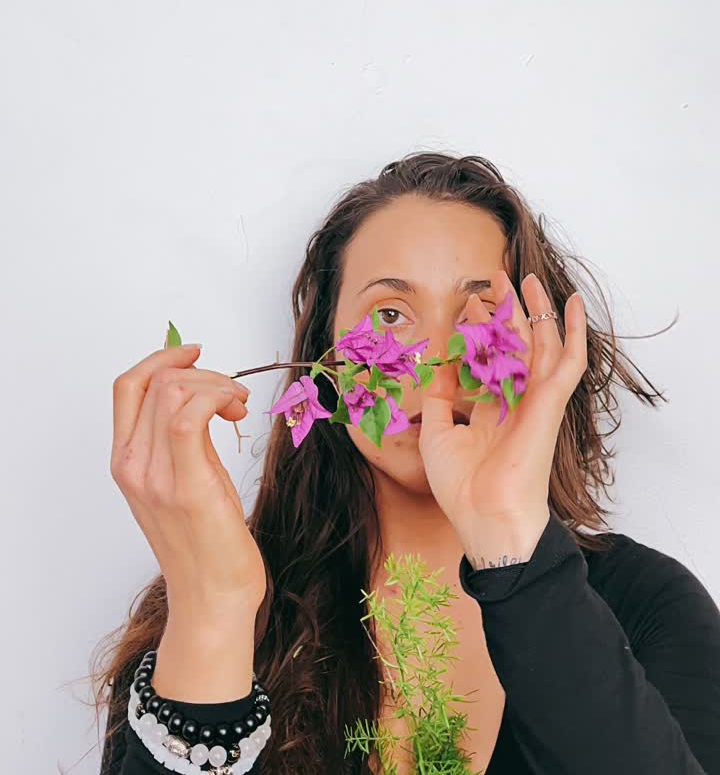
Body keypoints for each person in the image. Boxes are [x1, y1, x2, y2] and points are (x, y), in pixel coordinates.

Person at [92, 152, 720, 774]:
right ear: (326, 361)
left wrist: (510, 540)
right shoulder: (211, 603)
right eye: (390, 315)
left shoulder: (647, 607)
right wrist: (215, 612)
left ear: (537, 349)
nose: (434, 368)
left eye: (479, 315)